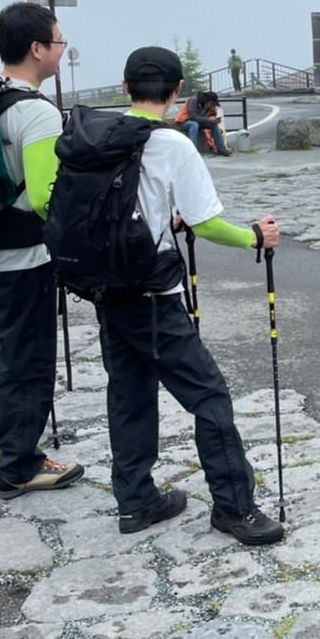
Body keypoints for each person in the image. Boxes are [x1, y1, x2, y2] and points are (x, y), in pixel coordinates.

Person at [91, 47, 284, 544]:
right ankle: (234, 508)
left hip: (105, 288)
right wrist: (254, 237)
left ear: (125, 85)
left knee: (129, 394)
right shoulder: (171, 143)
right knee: (209, 396)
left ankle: (135, 501)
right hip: (153, 294)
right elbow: (207, 223)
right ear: (178, 91)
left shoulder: (99, 136)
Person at [0, 3, 84, 499]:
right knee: (29, 359)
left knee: (5, 345)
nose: (62, 50)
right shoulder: (35, 110)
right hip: (24, 258)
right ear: (37, 48)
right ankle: (20, 464)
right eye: (58, 42)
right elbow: (43, 196)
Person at [176, 91, 231, 156]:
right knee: (194, 124)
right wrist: (208, 119)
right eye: (212, 104)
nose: (212, 106)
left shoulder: (209, 107)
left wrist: (214, 120)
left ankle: (221, 149)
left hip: (197, 122)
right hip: (183, 122)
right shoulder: (193, 100)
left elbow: (204, 118)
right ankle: (192, 151)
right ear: (207, 101)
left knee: (213, 125)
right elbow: (192, 116)